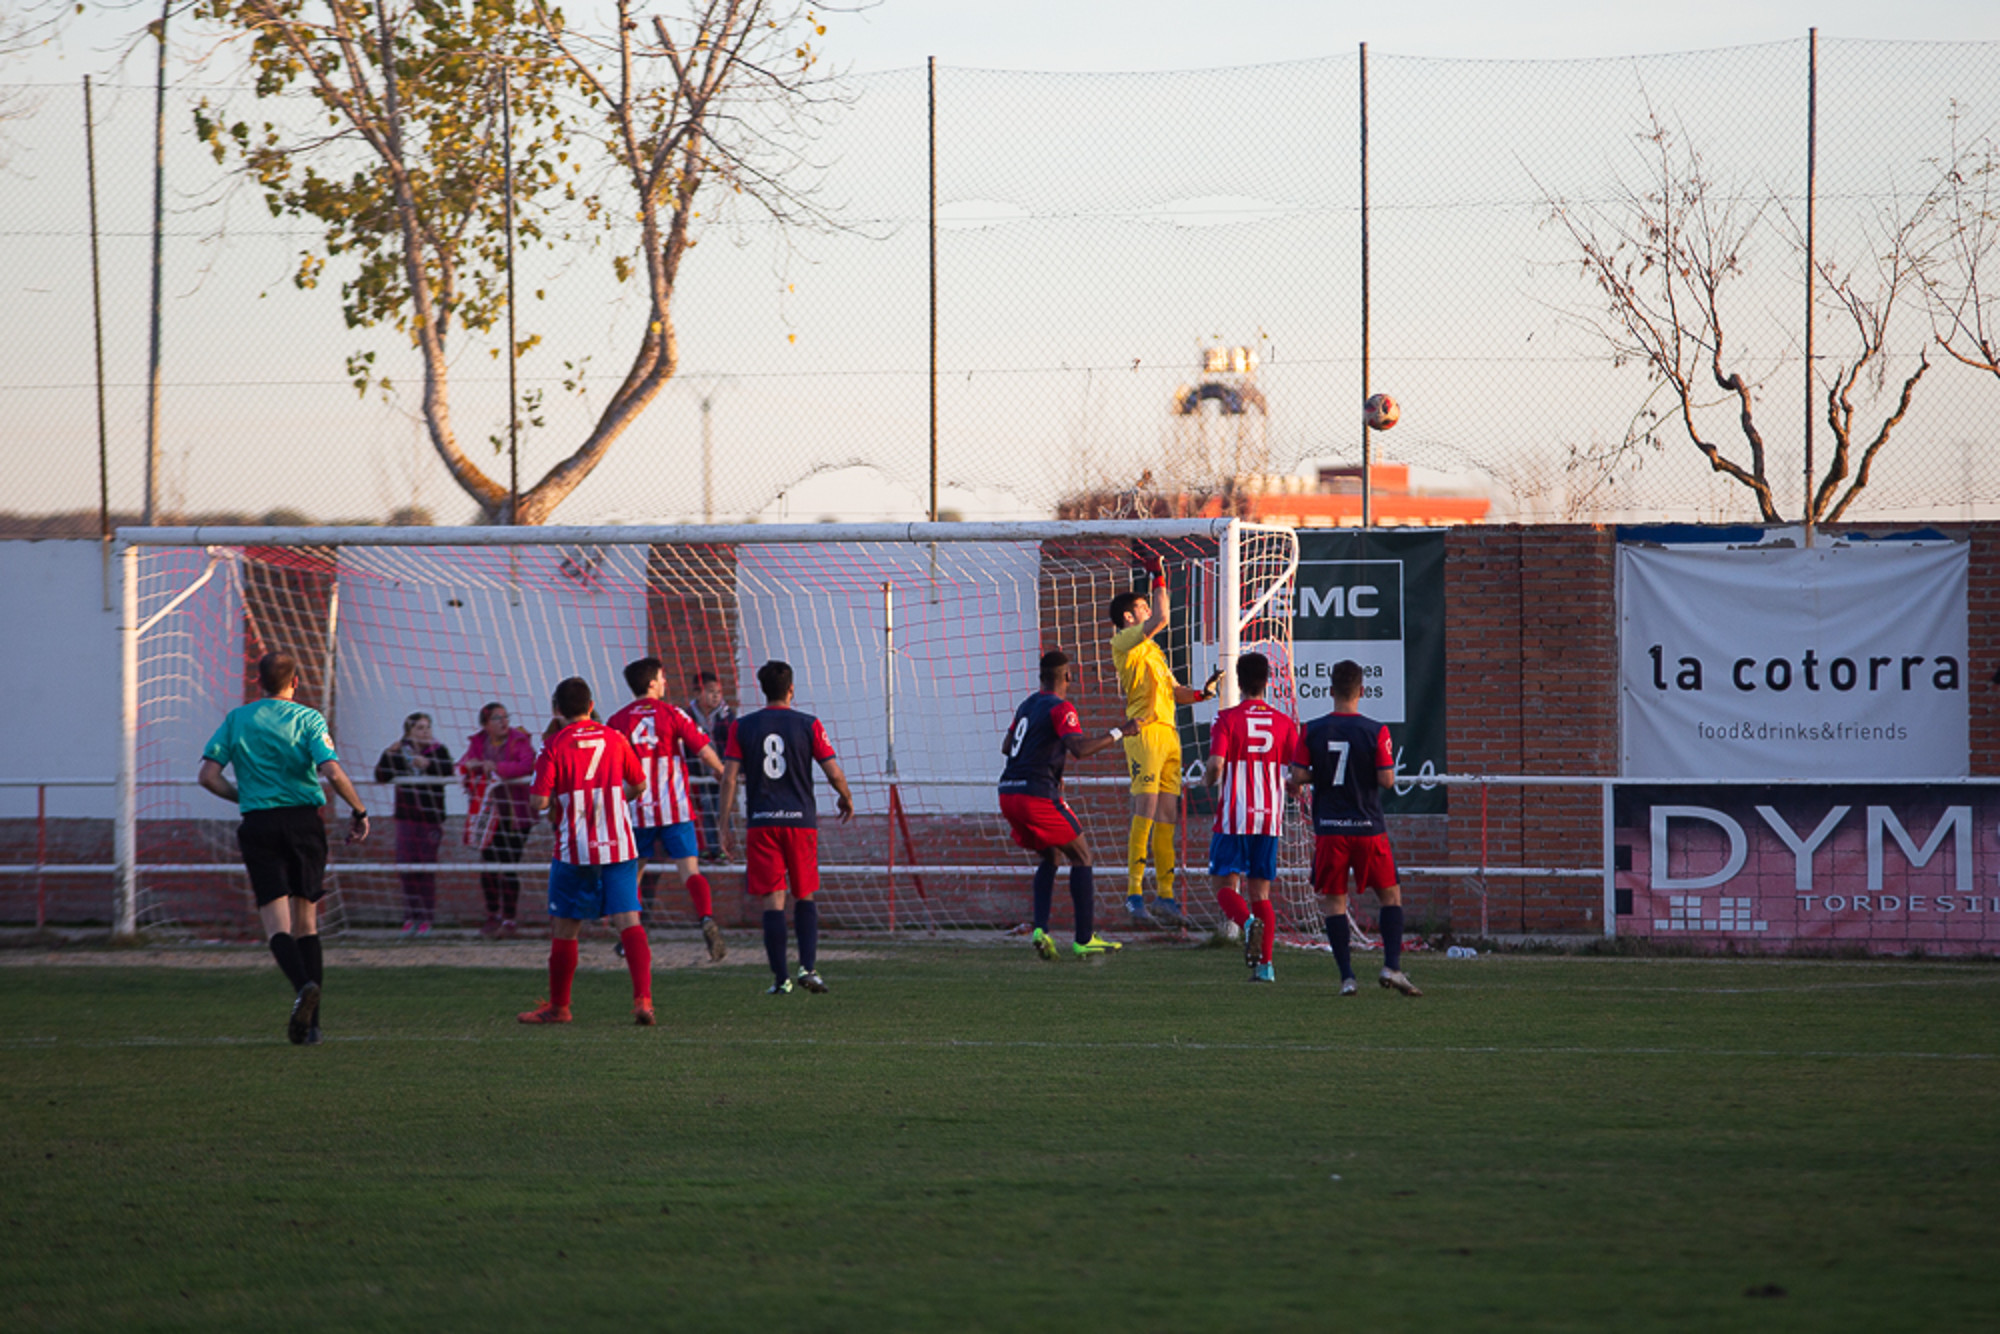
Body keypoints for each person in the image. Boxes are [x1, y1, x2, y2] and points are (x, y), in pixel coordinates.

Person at [197, 651, 371, 1045]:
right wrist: (359, 811)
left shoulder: (237, 719)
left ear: (257, 683)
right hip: (304, 823)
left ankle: (303, 986)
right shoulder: (309, 719)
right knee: (307, 923)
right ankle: (312, 1027)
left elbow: (208, 776)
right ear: (296, 682)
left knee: (277, 926)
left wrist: (244, 797)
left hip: (259, 824)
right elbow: (332, 771)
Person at [517, 677, 656, 1025]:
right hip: (620, 844)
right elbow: (639, 784)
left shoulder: (554, 745)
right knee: (629, 921)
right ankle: (643, 1001)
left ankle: (560, 1007)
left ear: (557, 711)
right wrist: (609, 799)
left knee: (565, 928)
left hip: (575, 848)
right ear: (591, 706)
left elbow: (539, 801)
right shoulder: (615, 737)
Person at [717, 660, 856, 995]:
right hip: (800, 823)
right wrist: (846, 797)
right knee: (804, 893)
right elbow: (833, 771)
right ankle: (808, 968)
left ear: (764, 689)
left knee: (773, 899)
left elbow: (730, 777)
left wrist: (724, 823)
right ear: (791, 689)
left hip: (762, 822)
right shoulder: (808, 724)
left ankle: (781, 980)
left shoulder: (742, 726)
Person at [1286, 659, 1422, 997]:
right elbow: (1387, 780)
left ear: (1330, 691)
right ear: (1361, 691)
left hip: (1330, 829)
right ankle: (1391, 966)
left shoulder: (1311, 730)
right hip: (1367, 827)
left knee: (1335, 903)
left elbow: (1299, 775)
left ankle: (1347, 978)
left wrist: (1320, 773)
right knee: (1390, 895)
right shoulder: (1377, 730)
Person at [1107, 548, 1218, 928]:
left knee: (1168, 815)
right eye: (1141, 607)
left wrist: (1203, 693)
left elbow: (1175, 692)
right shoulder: (1124, 642)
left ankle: (1165, 896)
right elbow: (1162, 617)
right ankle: (1134, 893)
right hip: (1144, 733)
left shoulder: (1152, 649)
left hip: (1170, 736)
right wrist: (1158, 577)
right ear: (1128, 617)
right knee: (1147, 810)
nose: (1146, 611)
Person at [998, 650, 1126, 961]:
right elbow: (1079, 749)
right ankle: (1084, 939)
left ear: (1041, 677)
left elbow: (1007, 746)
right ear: (1068, 676)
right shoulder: (1061, 708)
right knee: (1082, 855)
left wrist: (1051, 769)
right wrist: (1120, 732)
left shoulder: (1027, 705)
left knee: (1051, 854)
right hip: (1036, 794)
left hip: (1007, 793)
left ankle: (1041, 930)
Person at [607, 657, 728, 961]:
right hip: (675, 808)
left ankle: (628, 937)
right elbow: (703, 750)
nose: (665, 683)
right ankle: (706, 918)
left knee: (632, 874)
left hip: (636, 810)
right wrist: (721, 772)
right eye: (661, 678)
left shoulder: (617, 720)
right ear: (651, 683)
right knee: (690, 870)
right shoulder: (673, 713)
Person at [1201, 652, 1300, 983]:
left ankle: (1246, 925)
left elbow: (1215, 766)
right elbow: (1297, 777)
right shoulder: (1284, 723)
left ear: (1239, 682)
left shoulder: (1226, 720)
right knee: (1261, 893)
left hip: (1235, 814)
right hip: (1269, 817)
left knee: (1222, 884)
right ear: (1267, 680)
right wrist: (1293, 789)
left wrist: (1207, 780)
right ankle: (1266, 967)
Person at [373, 712, 453, 937]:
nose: (425, 732)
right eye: (419, 728)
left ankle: (426, 918)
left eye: (427, 727)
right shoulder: (400, 753)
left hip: (430, 819)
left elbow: (448, 770)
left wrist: (429, 764)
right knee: (406, 867)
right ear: (409, 732)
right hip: (406, 818)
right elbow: (381, 775)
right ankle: (410, 918)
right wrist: (388, 754)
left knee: (426, 868)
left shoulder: (438, 751)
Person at [460, 702, 536, 938]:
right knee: (489, 866)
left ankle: (510, 919)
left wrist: (497, 768)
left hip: (515, 815)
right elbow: (462, 765)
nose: (504, 722)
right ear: (485, 724)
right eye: (497, 718)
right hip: (487, 813)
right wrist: (470, 766)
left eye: (506, 717)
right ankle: (492, 915)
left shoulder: (519, 739)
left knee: (509, 866)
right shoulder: (478, 742)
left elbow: (528, 765)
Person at [686, 670, 734, 862]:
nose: (716, 696)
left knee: (722, 808)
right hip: (699, 773)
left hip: (722, 773)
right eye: (711, 691)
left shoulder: (727, 717)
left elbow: (733, 743)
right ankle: (709, 848)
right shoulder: (688, 715)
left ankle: (724, 848)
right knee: (705, 808)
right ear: (698, 693)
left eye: (719, 692)